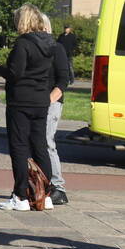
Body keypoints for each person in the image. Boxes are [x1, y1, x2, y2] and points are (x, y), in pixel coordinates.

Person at [0, 4, 60, 211]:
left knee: (19, 147)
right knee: (40, 146)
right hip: (41, 100)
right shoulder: (51, 43)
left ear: (22, 21)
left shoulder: (23, 43)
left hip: (20, 100)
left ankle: (21, 196)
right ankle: (45, 194)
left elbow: (15, 73)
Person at [44, 16, 71, 205]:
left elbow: (63, 79)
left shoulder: (57, 48)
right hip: (37, 102)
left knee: (47, 141)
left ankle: (58, 188)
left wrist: (50, 99)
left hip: (52, 102)